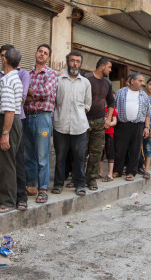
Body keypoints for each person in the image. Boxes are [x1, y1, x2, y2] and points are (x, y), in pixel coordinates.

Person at [0, 44, 30, 211]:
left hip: (7, 121)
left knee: (7, 163)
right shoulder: (12, 79)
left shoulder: (8, 80)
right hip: (6, 120)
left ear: (5, 60)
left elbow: (10, 110)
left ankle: (8, 201)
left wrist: (5, 133)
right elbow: (6, 101)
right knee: (1, 162)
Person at [51, 51, 91, 196]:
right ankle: (58, 184)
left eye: (78, 61)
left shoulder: (86, 82)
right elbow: (54, 103)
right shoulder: (59, 80)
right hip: (60, 125)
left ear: (80, 64)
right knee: (60, 157)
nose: (75, 63)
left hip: (79, 127)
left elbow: (87, 105)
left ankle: (80, 185)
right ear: (68, 62)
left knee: (79, 157)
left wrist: (78, 116)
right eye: (72, 60)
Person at [23, 44, 58, 203]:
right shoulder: (26, 73)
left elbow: (45, 93)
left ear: (48, 58)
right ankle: (31, 186)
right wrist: (29, 94)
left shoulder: (51, 73)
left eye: (45, 53)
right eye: (40, 51)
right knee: (28, 154)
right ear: (35, 53)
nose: (42, 54)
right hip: (27, 116)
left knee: (42, 156)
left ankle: (43, 188)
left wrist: (29, 93)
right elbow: (22, 94)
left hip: (42, 118)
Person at [113, 72, 150, 180]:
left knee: (135, 150)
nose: (142, 83)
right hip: (122, 125)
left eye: (142, 81)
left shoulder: (144, 95)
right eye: (140, 81)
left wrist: (146, 127)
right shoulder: (121, 92)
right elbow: (114, 107)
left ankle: (131, 172)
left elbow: (148, 113)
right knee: (120, 149)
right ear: (132, 81)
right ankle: (117, 170)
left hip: (138, 126)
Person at [85, 57, 114, 190]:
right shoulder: (86, 79)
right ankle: (77, 179)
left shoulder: (107, 83)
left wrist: (108, 120)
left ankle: (91, 179)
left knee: (96, 153)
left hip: (99, 123)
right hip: (84, 121)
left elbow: (111, 103)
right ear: (102, 66)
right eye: (109, 67)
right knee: (81, 152)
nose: (110, 70)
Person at [99, 104, 118, 181]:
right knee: (100, 152)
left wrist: (108, 124)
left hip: (109, 132)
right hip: (99, 133)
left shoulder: (111, 108)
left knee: (110, 152)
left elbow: (115, 121)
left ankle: (110, 174)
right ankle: (101, 172)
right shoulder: (99, 107)